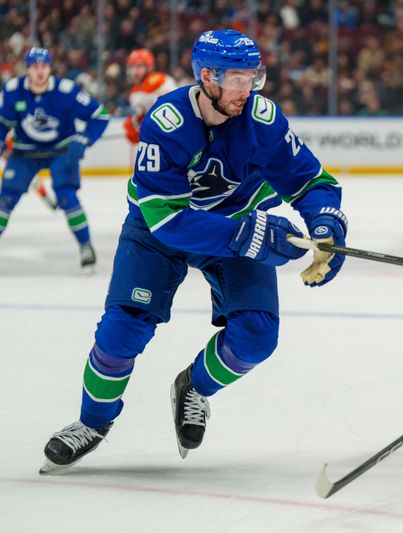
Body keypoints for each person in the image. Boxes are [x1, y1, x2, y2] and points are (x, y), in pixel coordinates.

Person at [40, 30, 348, 473]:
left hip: (237, 228)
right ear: (207, 77)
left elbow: (311, 182)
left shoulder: (262, 120)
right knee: (121, 333)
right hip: (159, 232)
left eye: (253, 78)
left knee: (257, 337)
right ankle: (93, 422)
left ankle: (194, 387)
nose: (248, 90)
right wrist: (249, 235)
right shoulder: (167, 121)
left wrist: (324, 223)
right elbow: (167, 219)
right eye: (237, 80)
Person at [0, 47, 109, 271]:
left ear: (50, 68)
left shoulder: (66, 91)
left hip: (61, 151)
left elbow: (101, 114)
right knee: (5, 199)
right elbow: (3, 123)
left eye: (44, 66)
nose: (40, 71)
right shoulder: (12, 90)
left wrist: (84, 139)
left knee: (66, 196)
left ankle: (85, 245)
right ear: (27, 69)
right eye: (34, 67)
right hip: (25, 152)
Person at [123, 48, 177, 145]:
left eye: (139, 66)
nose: (134, 71)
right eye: (131, 67)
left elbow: (175, 107)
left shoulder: (161, 80)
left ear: (149, 67)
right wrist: (137, 123)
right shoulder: (134, 92)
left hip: (173, 133)